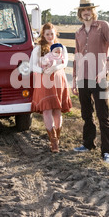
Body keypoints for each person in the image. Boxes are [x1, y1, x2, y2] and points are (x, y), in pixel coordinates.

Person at [72, 0, 109, 163]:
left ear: (93, 11)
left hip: (99, 77)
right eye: (83, 10)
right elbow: (77, 56)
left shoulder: (103, 26)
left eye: (89, 10)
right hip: (82, 78)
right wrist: (74, 79)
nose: (86, 13)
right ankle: (88, 144)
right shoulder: (78, 32)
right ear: (80, 13)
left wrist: (105, 69)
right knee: (86, 114)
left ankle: (107, 151)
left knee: (103, 115)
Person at [30, 22, 72, 153]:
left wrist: (55, 67)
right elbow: (32, 65)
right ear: (43, 34)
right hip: (44, 81)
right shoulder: (38, 48)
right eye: (47, 34)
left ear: (55, 34)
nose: (49, 36)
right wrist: (42, 71)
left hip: (59, 80)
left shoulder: (61, 47)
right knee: (47, 110)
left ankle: (57, 138)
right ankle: (53, 141)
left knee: (57, 110)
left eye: (52, 34)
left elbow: (65, 62)